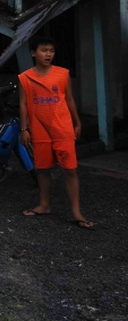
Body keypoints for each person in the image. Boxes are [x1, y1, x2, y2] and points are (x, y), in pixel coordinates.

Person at [18, 35, 94, 229]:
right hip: (39, 130)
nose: (48, 54)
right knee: (42, 169)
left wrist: (77, 123)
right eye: (44, 50)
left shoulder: (62, 74)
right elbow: (23, 104)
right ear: (34, 53)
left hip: (62, 128)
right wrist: (24, 129)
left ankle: (76, 212)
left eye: (51, 51)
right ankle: (44, 205)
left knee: (70, 169)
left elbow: (69, 99)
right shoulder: (25, 77)